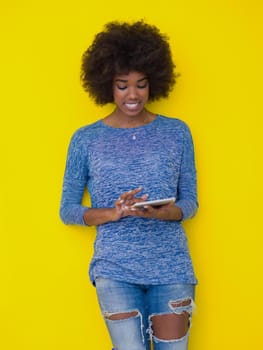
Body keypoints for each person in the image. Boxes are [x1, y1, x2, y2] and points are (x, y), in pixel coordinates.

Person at [60, 20, 198, 350]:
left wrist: (165, 212)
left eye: (141, 84)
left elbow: (191, 201)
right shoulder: (86, 139)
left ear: (154, 83)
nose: (133, 95)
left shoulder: (177, 132)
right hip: (114, 269)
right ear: (107, 84)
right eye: (122, 85)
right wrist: (113, 213)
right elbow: (67, 210)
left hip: (172, 268)